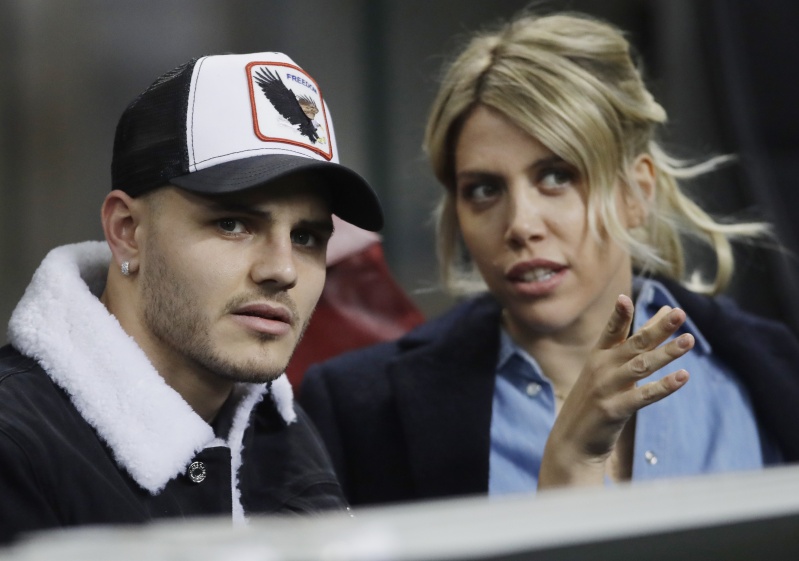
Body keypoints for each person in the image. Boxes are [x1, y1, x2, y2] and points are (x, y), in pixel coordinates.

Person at [299, 12, 799, 506]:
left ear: (636, 192)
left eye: (557, 176)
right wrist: (567, 467)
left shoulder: (770, 367)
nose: (520, 225)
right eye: (484, 190)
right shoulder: (361, 409)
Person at [0, 51, 384, 543]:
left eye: (306, 237)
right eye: (233, 224)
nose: (283, 270)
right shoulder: (15, 443)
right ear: (127, 231)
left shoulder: (278, 423)